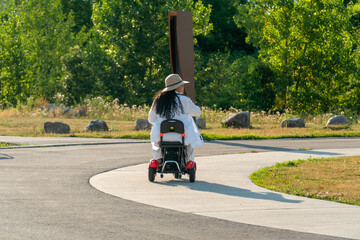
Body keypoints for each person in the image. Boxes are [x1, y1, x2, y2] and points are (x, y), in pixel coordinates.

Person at [148, 74, 204, 165]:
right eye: (181, 85)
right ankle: (189, 161)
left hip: (161, 137)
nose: (183, 87)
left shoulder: (158, 101)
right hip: (182, 137)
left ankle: (158, 159)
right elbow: (197, 112)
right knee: (189, 145)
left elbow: (151, 119)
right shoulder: (185, 100)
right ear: (177, 87)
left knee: (155, 144)